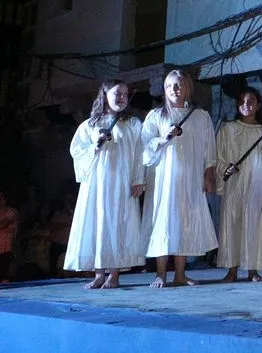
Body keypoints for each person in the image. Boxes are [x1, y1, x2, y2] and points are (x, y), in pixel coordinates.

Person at [63, 80, 145, 288]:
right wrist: (95, 145)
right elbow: (77, 151)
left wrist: (138, 179)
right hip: (97, 185)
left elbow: (140, 154)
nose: (122, 98)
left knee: (118, 224)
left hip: (121, 184)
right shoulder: (89, 125)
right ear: (105, 95)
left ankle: (114, 275)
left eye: (125, 94)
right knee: (98, 224)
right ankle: (99, 273)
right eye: (117, 93)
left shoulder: (133, 124)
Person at [142, 69, 218, 287]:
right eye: (169, 86)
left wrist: (209, 175)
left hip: (190, 178)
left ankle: (180, 274)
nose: (174, 89)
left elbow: (209, 147)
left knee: (183, 221)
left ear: (187, 88)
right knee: (163, 221)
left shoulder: (200, 116)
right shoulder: (156, 116)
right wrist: (163, 139)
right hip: (164, 179)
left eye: (179, 84)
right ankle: (161, 274)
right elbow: (144, 146)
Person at [216, 87, 262, 282]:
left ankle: (253, 269)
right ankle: (232, 269)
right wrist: (226, 169)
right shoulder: (228, 128)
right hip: (235, 183)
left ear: (258, 105)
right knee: (233, 222)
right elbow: (219, 155)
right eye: (242, 101)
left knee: (256, 223)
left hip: (257, 181)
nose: (246, 105)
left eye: (251, 100)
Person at [0, 192, 20, 283]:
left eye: (1, 198)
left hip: (8, 248)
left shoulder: (11, 212)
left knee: (5, 274)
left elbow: (3, 224)